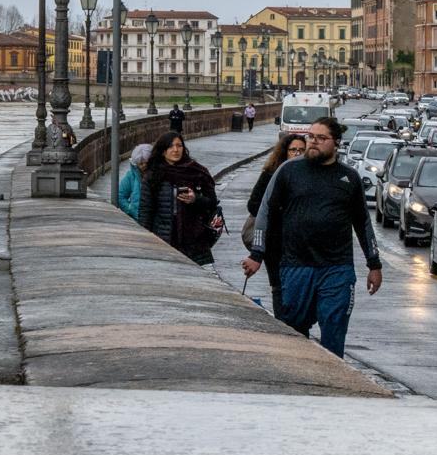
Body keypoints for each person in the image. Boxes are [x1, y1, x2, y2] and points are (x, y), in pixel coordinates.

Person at [242, 116, 382, 356]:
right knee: (294, 331)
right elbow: (264, 211)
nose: (313, 142)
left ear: (336, 142)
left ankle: (334, 381)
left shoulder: (349, 178)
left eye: (321, 138)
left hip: (337, 269)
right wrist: (257, 254)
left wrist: (374, 264)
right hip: (296, 266)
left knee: (334, 329)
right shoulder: (289, 171)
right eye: (311, 137)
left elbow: (363, 223)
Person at [241, 130, 310, 314]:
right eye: (293, 150)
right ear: (284, 152)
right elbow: (254, 205)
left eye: (301, 150)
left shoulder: (310, 175)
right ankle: (282, 320)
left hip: (300, 244)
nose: (297, 154)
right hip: (274, 242)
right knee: (278, 286)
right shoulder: (271, 174)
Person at [140, 130, 226, 265]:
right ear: (163, 151)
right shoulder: (153, 175)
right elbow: (146, 210)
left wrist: (195, 199)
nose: (175, 150)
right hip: (163, 235)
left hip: (192, 237)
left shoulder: (196, 171)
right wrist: (144, 239)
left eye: (179, 146)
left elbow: (212, 202)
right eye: (171, 146)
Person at [117, 144, 151, 221]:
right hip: (137, 218)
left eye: (147, 163)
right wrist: (130, 208)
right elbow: (120, 195)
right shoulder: (131, 175)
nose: (144, 166)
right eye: (141, 163)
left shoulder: (158, 174)